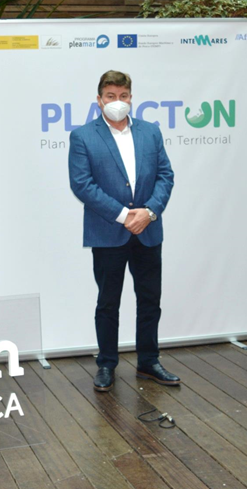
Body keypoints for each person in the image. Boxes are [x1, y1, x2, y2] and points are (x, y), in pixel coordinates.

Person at [68, 70, 177, 391]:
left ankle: (149, 361)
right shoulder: (83, 136)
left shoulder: (150, 132)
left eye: (124, 96)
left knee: (150, 299)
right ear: (99, 100)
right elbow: (82, 184)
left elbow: (166, 176)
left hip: (148, 231)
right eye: (111, 96)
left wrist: (150, 211)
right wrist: (123, 215)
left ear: (131, 98)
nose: (118, 102)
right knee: (108, 303)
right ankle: (106, 364)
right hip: (108, 233)